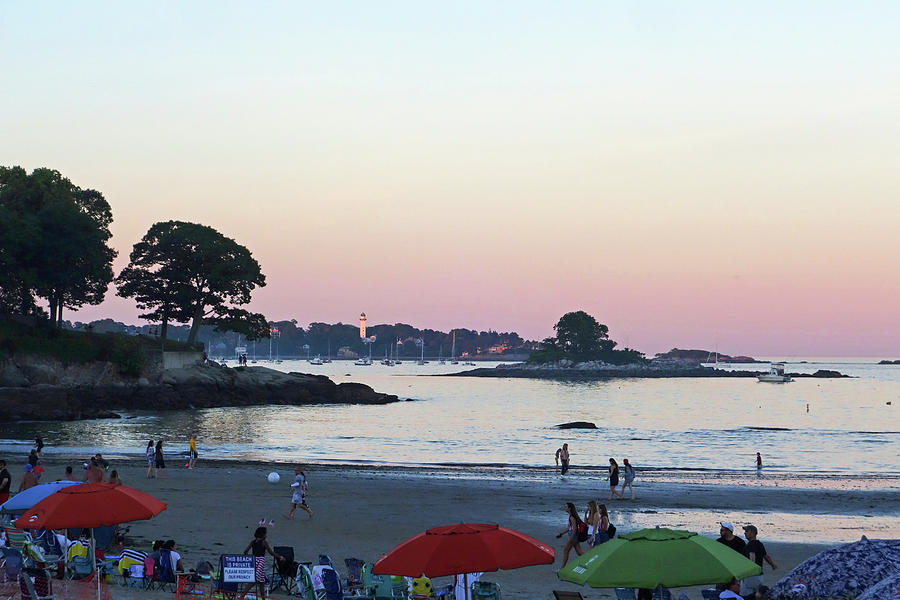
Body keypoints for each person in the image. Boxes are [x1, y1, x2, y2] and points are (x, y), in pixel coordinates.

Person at [240, 527, 282, 600]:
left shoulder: (253, 542)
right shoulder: (264, 542)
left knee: (262, 581)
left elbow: (245, 551)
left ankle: (263, 598)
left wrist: (250, 558)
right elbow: (271, 552)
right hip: (260, 562)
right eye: (266, 533)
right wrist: (280, 557)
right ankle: (242, 596)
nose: (266, 535)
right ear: (263, 534)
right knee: (255, 580)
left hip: (254, 561)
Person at [741, 525, 777, 596]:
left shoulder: (751, 544)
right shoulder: (759, 544)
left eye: (746, 531)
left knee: (746, 595)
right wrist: (772, 565)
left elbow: (752, 556)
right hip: (759, 576)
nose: (745, 533)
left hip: (750, 575)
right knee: (757, 595)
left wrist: (751, 568)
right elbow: (766, 556)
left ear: (753, 533)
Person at [555, 502, 585, 568]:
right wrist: (561, 534)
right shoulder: (572, 516)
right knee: (579, 552)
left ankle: (562, 568)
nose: (565, 508)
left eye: (566, 507)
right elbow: (569, 528)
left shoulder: (572, 517)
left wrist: (571, 539)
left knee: (566, 551)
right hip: (574, 536)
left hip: (573, 536)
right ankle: (589, 562)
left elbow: (574, 529)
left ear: (570, 508)